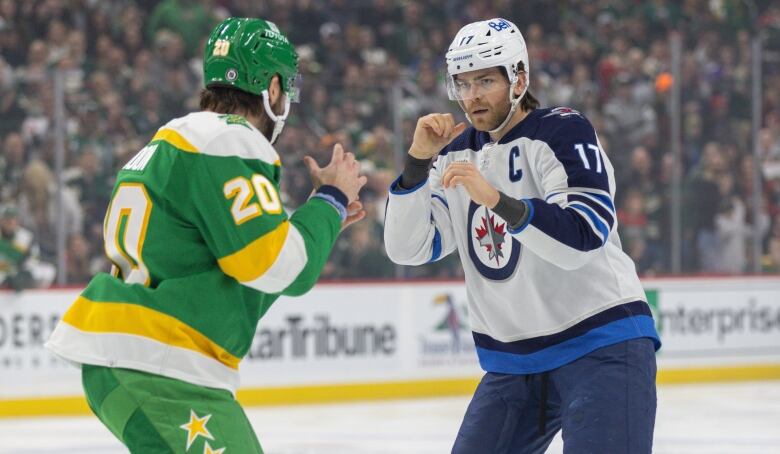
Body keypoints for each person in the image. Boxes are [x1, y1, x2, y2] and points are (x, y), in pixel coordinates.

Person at [46, 17, 366, 454]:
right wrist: (330, 198)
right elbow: (276, 268)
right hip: (161, 369)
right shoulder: (229, 141)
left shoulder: (178, 140)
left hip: (137, 361)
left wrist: (319, 228)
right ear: (271, 88)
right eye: (285, 87)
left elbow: (241, 278)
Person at [384, 18, 660, 453]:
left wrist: (496, 200)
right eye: (462, 83)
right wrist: (418, 163)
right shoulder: (453, 152)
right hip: (515, 362)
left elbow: (582, 238)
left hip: (602, 344)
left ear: (519, 79)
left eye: (485, 81)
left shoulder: (563, 130)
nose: (471, 96)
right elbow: (409, 247)